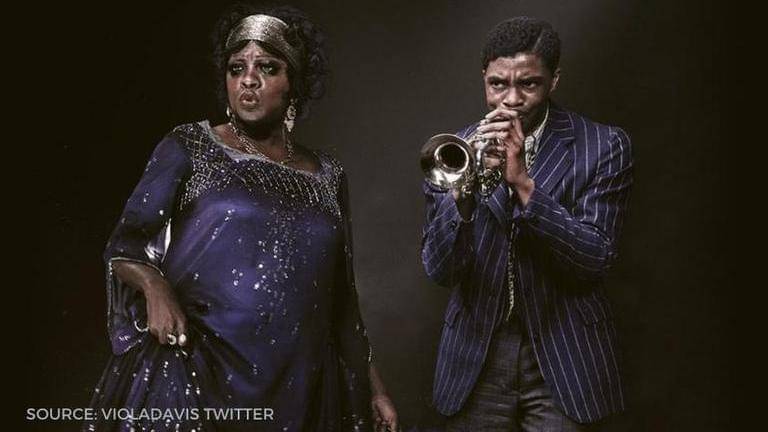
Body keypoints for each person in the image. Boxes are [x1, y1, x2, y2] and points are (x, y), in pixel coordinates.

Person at [84, 4, 398, 432]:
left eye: (267, 67)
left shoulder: (329, 175)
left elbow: (342, 302)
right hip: (197, 373)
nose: (248, 80)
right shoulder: (191, 146)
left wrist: (375, 388)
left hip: (299, 388)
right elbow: (126, 246)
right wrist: (155, 287)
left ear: (294, 84)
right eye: (237, 68)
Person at [421, 17, 633, 432]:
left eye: (529, 84)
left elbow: (594, 260)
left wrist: (523, 185)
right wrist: (463, 195)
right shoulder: (452, 152)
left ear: (554, 80)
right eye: (498, 84)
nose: (511, 99)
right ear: (484, 77)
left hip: (564, 354)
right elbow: (439, 270)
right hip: (476, 356)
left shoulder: (604, 146)